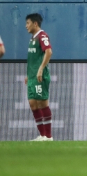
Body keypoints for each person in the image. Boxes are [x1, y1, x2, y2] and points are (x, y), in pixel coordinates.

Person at [25, 13, 53, 141]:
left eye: (28, 23)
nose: (26, 26)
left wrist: (41, 69)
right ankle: (42, 135)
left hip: (40, 76)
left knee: (42, 103)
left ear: (35, 24)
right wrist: (28, 75)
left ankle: (48, 136)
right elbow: (33, 59)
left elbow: (49, 52)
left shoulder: (42, 36)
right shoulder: (32, 39)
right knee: (33, 104)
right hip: (32, 77)